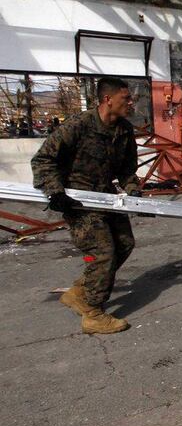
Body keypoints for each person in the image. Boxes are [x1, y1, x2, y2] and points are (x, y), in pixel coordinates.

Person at [31, 77, 141, 335]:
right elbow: (44, 159)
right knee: (102, 253)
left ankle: (80, 291)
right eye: (126, 98)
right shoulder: (79, 125)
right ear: (107, 99)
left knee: (125, 244)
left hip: (105, 196)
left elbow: (127, 170)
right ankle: (92, 313)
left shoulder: (124, 130)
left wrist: (135, 192)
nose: (131, 102)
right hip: (78, 201)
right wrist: (55, 192)